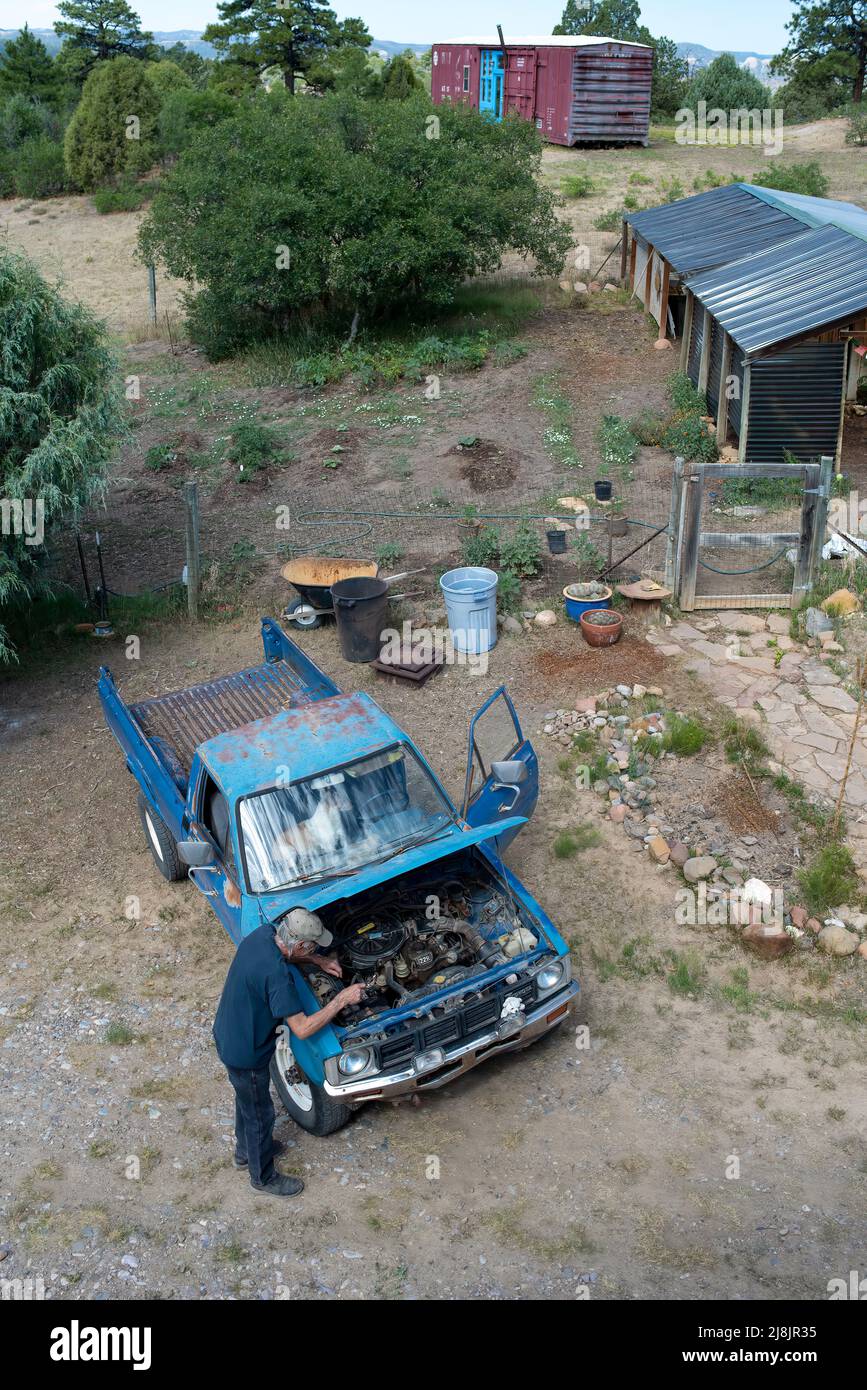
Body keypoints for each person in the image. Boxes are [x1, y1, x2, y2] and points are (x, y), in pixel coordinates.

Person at [213, 908, 363, 1199]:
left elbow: (290, 953)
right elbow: (303, 1028)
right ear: (300, 944)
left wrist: (318, 960)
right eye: (313, 946)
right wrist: (341, 1000)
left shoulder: (262, 935)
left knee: (246, 1099)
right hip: (247, 1051)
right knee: (259, 1113)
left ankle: (245, 1152)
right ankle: (262, 1176)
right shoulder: (277, 976)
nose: (315, 949)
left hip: (229, 1032)